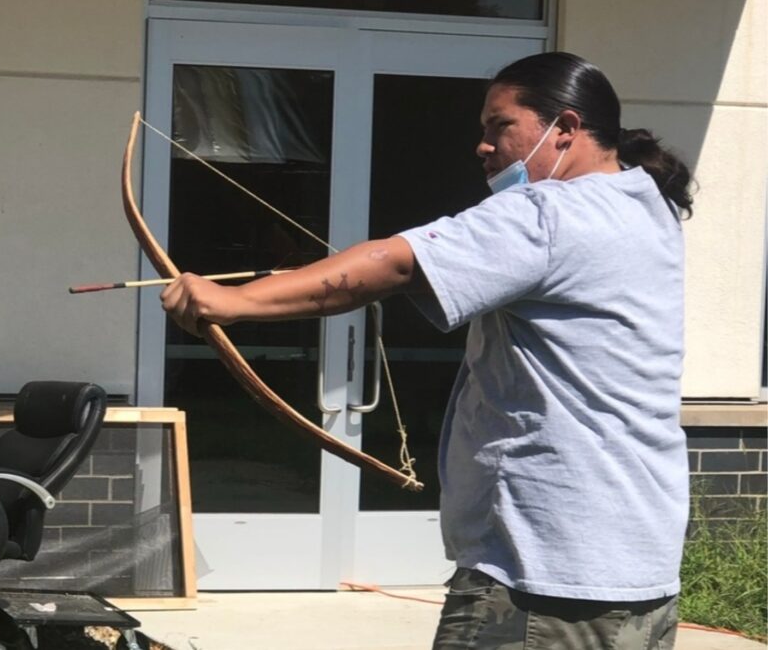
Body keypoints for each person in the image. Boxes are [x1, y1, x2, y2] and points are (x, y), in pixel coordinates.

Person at [161, 52, 693, 649]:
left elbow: (393, 263)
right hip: (637, 567)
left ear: (565, 129)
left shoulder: (550, 212)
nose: (483, 146)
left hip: (545, 571)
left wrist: (233, 302)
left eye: (501, 126)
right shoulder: (648, 205)